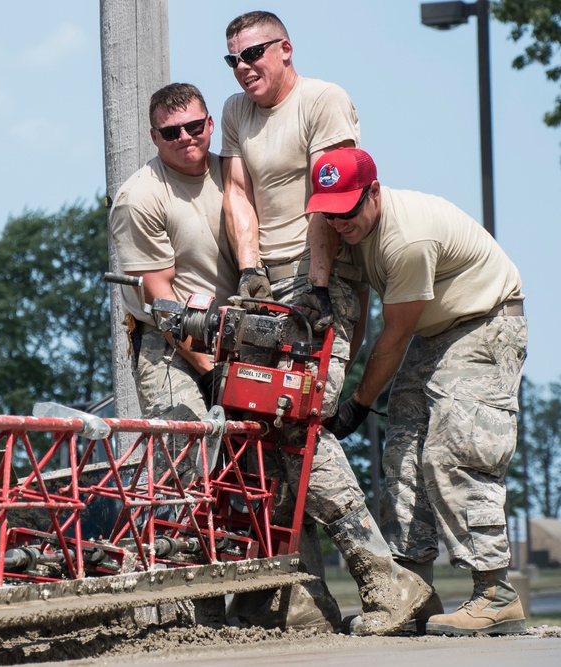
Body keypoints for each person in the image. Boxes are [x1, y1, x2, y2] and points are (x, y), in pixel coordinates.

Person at [218, 10, 430, 636]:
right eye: (232, 59)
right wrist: (251, 270)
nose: (243, 67)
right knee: (260, 432)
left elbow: (328, 196)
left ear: (285, 48)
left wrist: (313, 286)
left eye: (254, 53)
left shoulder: (323, 100)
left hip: (322, 278)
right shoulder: (235, 110)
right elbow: (237, 193)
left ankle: (386, 581)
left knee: (301, 423)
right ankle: (298, 599)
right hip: (260, 285)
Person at [305, 146, 528, 637]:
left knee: (453, 450)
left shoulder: (406, 239)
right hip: (434, 331)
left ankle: (495, 594)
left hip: (484, 323)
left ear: (374, 194)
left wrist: (359, 404)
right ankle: (413, 594)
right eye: (330, 212)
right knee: (402, 452)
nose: (340, 222)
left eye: (349, 209)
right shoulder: (345, 230)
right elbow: (360, 317)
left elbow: (394, 334)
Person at [110, 83, 238, 431]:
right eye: (170, 132)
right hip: (165, 342)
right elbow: (160, 301)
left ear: (210, 124)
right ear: (154, 137)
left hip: (234, 333)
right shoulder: (138, 198)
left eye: (194, 127)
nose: (185, 137)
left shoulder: (236, 175)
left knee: (263, 460)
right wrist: (211, 373)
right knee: (186, 451)